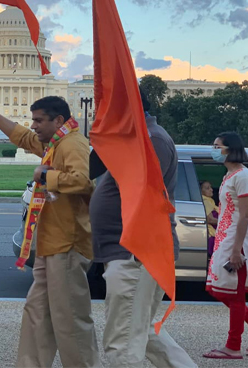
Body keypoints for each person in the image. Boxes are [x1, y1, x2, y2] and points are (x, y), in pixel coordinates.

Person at [0, 91, 100, 368]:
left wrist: (45, 175)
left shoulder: (73, 144)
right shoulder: (56, 142)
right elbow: (21, 136)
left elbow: (83, 181)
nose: (33, 125)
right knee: (36, 313)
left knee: (70, 318)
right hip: (49, 245)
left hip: (67, 245)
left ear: (58, 120)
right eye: (33, 120)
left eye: (39, 120)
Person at [90, 91, 196, 367]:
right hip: (129, 252)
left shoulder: (152, 139)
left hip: (134, 253)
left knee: (123, 341)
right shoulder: (138, 138)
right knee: (141, 331)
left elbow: (143, 194)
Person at [204, 132, 248, 360]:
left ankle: (233, 346)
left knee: (234, 294)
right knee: (220, 289)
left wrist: (235, 250)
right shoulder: (230, 175)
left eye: (217, 146)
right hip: (226, 239)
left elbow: (244, 217)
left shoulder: (243, 176)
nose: (213, 149)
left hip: (236, 242)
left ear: (231, 149)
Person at [201, 181, 219, 257]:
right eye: (207, 188)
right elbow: (210, 219)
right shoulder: (205, 201)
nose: (211, 189)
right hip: (212, 232)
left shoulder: (210, 201)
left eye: (210, 187)